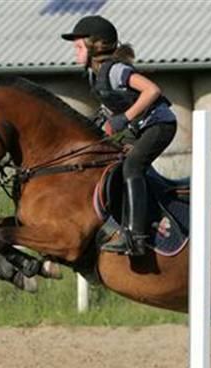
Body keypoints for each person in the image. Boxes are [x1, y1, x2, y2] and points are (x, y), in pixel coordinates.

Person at [62, 15, 177, 256]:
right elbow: (112, 106)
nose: (75, 52)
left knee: (132, 167)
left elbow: (152, 90)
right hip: (139, 128)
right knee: (110, 162)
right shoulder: (95, 74)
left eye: (79, 46)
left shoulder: (116, 70)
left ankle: (136, 237)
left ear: (96, 47)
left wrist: (123, 119)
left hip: (159, 125)